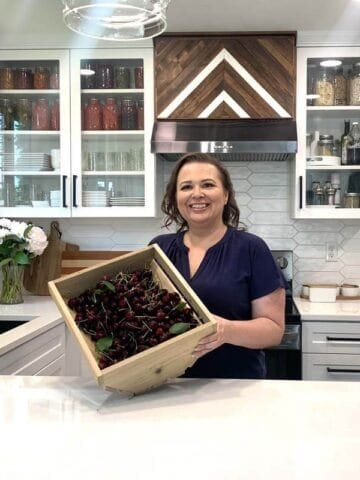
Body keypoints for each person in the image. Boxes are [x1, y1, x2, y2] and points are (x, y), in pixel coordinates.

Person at [149, 153, 285, 379]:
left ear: (225, 195)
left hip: (235, 386)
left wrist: (226, 331)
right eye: (186, 187)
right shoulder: (159, 249)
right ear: (176, 198)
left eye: (208, 185)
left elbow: (273, 331)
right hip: (168, 384)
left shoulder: (252, 249)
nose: (197, 194)